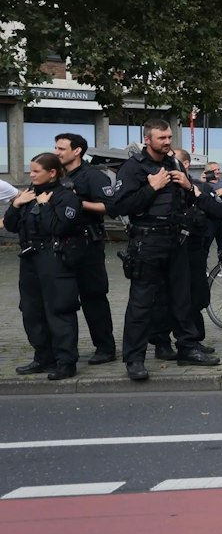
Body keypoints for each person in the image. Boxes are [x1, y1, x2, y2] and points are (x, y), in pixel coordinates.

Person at [110, 119, 222, 380]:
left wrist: (188, 187)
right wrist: (152, 187)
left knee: (182, 299)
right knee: (141, 303)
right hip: (147, 243)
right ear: (147, 139)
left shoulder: (173, 163)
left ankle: (188, 347)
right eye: (161, 138)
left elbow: (185, 200)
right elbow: (117, 207)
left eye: (169, 137)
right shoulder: (133, 168)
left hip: (176, 241)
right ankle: (135, 359)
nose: (167, 142)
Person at [7, 153, 84, 379]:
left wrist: (45, 205)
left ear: (52, 173)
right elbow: (11, 226)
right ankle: (43, 357)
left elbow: (57, 228)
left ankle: (66, 361)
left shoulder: (66, 196)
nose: (31, 175)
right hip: (30, 258)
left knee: (59, 309)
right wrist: (16, 204)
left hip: (54, 257)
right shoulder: (29, 194)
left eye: (36, 171)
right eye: (30, 171)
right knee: (31, 310)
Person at [51, 133, 116, 364]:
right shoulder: (56, 175)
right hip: (60, 243)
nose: (57, 152)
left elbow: (109, 207)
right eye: (56, 148)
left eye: (61, 148)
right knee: (62, 299)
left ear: (77, 151)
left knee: (93, 297)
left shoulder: (93, 176)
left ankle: (105, 348)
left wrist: (78, 202)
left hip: (87, 244)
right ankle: (64, 350)